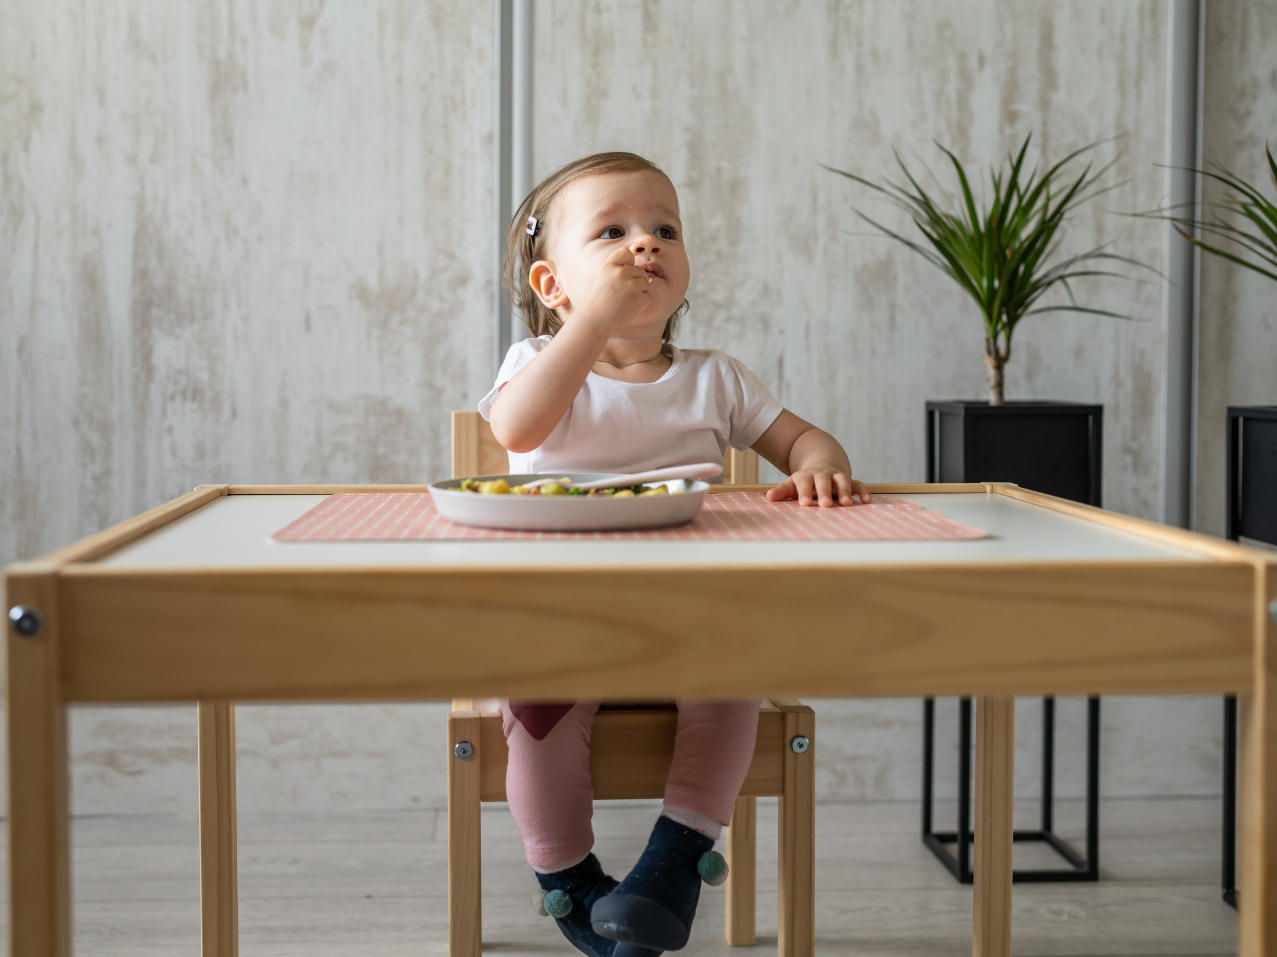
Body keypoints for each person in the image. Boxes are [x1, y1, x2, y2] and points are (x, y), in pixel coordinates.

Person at [479, 152, 869, 957]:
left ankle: (672, 862)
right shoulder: (535, 365)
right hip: (563, 615)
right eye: (611, 232)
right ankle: (571, 880)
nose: (644, 244)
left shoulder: (714, 379)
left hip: (692, 613)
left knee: (734, 676)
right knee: (537, 711)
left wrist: (817, 463)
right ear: (552, 286)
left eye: (664, 228)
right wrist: (588, 328)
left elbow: (802, 438)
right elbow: (517, 428)